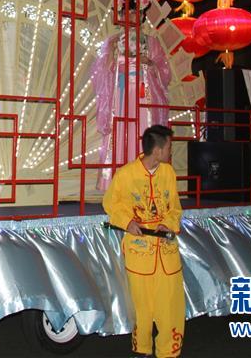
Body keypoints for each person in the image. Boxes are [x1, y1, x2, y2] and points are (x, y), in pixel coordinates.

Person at [103, 125, 184, 358]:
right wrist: (127, 222)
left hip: (166, 252)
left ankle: (169, 351)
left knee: (170, 306)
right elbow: (110, 203)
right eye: (169, 146)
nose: (171, 151)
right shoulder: (127, 174)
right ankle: (143, 349)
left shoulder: (168, 173)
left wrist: (168, 222)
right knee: (142, 307)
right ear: (157, 150)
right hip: (139, 253)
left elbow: (175, 208)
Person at [92, 0, 172, 190]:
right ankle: (117, 183)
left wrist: (151, 64)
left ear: (142, 13)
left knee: (143, 133)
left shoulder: (152, 42)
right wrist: (115, 59)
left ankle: (146, 183)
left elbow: (165, 72)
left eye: (136, 12)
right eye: (127, 12)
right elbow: (100, 73)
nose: (132, 17)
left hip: (143, 96)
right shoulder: (112, 42)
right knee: (120, 133)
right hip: (120, 96)